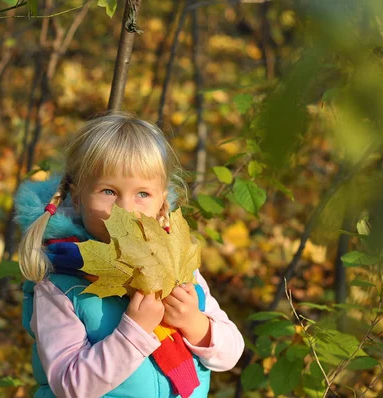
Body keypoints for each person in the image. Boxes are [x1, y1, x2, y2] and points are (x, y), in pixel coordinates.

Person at [15, 113, 244, 398]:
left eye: (143, 194)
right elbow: (71, 386)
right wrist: (133, 332)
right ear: (77, 197)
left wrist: (195, 324)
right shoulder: (61, 285)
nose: (124, 208)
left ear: (162, 200)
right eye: (108, 191)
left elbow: (231, 353)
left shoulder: (178, 267)